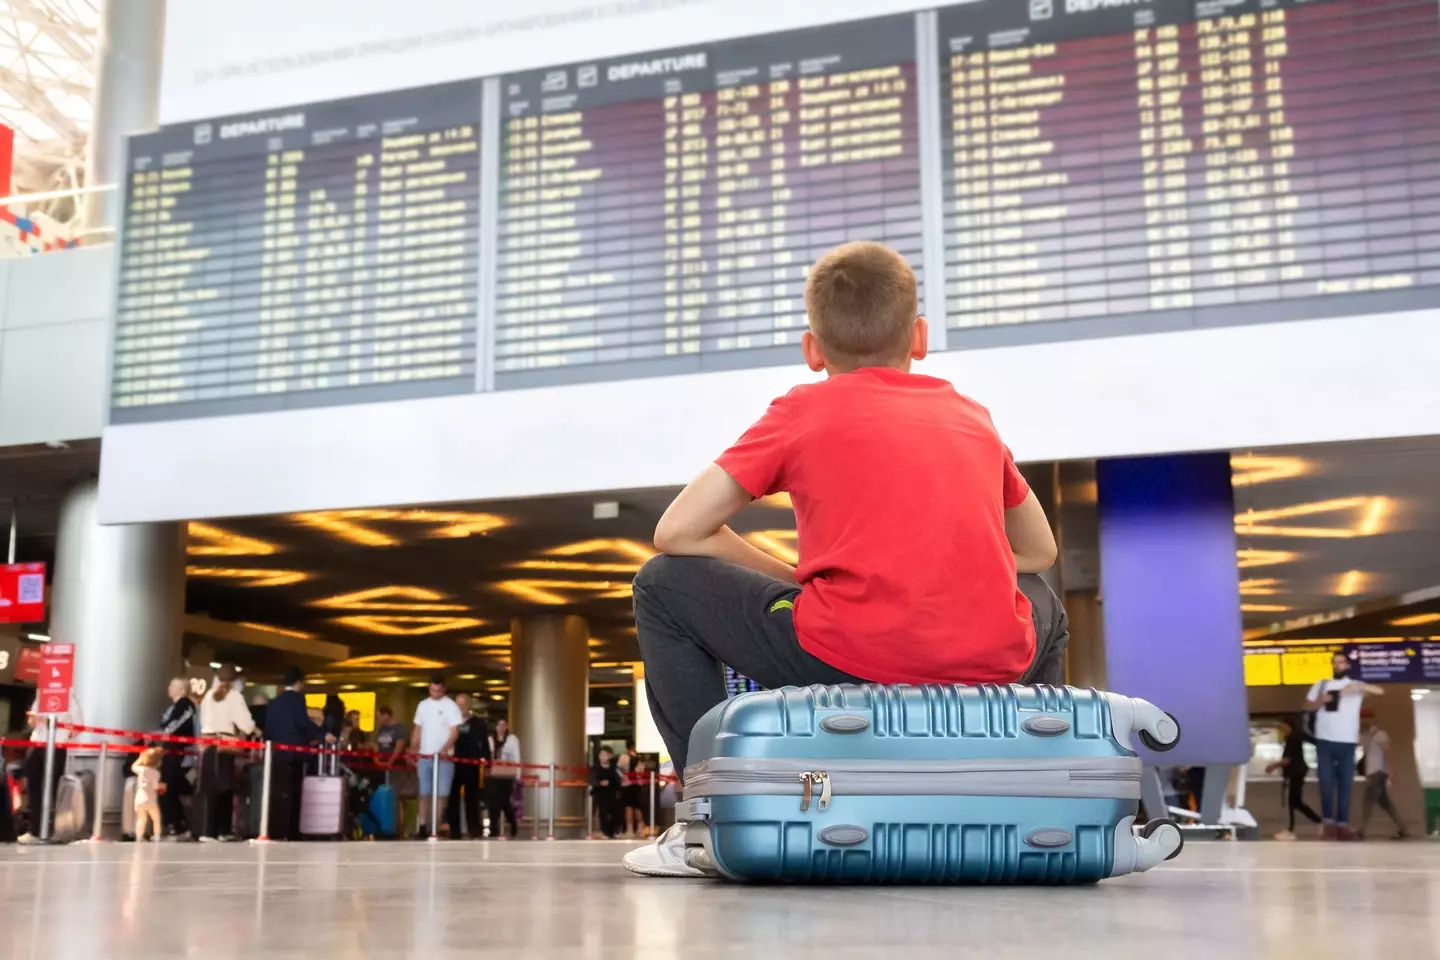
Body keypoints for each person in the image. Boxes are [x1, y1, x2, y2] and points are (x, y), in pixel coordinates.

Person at [623, 241, 1063, 876]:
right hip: (989, 666)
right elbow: (1039, 550)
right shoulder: (972, 417)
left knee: (661, 586)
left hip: (849, 654)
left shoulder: (801, 409)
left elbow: (678, 532)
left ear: (813, 350)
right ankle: (1033, 791)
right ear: (920, 337)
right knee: (1042, 598)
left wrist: (794, 579)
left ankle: (711, 817)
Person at [1304, 652, 1383, 840]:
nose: (1337, 665)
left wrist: (1357, 686)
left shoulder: (1355, 685)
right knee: (1326, 783)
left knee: (1346, 784)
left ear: (1347, 665)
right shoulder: (1322, 684)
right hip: (1324, 740)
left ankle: (1342, 825)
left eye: (1341, 662)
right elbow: (1306, 706)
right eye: (1334, 662)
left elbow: (1380, 691)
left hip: (1348, 741)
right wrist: (1319, 701)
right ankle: (1328, 823)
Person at [264, 666, 328, 840]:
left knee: (277, 793)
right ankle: (293, 832)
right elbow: (302, 722)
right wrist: (322, 733)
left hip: (276, 754)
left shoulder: (274, 702)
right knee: (295, 793)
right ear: (299, 682)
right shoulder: (298, 699)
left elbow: (268, 729)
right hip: (295, 755)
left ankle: (274, 829)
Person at [196, 664, 256, 842]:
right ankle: (223, 831)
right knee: (225, 788)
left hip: (207, 745)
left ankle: (207, 830)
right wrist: (252, 729)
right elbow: (246, 724)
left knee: (209, 788)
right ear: (235, 679)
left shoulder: (208, 695)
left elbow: (202, 720)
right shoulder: (235, 697)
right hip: (226, 745)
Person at [17, 686, 82, 844]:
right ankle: (34, 829)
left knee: (51, 788)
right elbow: (32, 722)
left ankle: (49, 829)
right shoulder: (41, 693)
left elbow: (77, 727)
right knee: (34, 787)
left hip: (57, 746)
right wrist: (34, 719)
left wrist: (58, 729)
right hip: (37, 744)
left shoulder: (69, 697)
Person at [411, 673, 462, 840]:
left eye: (438, 691)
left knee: (442, 794)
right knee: (424, 793)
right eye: (433, 690)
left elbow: (455, 732)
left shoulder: (451, 706)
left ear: (444, 690)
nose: (435, 694)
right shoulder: (422, 706)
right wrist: (413, 748)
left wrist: (444, 749)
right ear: (429, 688)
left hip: (444, 759)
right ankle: (422, 826)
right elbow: (417, 729)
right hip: (425, 756)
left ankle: (435, 826)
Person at [1265, 715, 1319, 841]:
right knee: (1295, 801)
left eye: (1282, 726)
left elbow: (1287, 760)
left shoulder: (1292, 738)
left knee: (1293, 801)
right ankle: (1314, 822)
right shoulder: (1295, 737)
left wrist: (1272, 766)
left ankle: (1292, 829)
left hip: (1295, 772)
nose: (1281, 728)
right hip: (1298, 771)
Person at [157, 678, 198, 838]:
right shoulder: (174, 707)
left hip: (179, 753)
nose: (169, 688)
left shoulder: (185, 705)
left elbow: (171, 727)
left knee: (168, 787)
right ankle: (176, 823)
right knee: (167, 789)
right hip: (171, 752)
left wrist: (162, 734)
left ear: (182, 689)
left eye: (173, 685)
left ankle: (177, 824)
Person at [446, 694, 490, 839]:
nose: (460, 707)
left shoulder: (478, 723)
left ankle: (474, 829)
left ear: (468, 705)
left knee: (472, 798)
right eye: (458, 704)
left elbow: (484, 744)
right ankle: (454, 830)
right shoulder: (451, 722)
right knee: (453, 799)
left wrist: (487, 763)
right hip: (453, 764)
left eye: (463, 704)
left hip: (472, 764)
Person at [1358, 714, 1408, 840]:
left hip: (1378, 772)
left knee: (1368, 801)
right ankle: (1401, 828)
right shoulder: (1363, 736)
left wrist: (1391, 772)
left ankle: (1361, 830)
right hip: (1372, 772)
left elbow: (1388, 753)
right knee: (1385, 802)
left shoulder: (1380, 735)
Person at [487, 718, 521, 839]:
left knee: (504, 802)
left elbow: (517, 757)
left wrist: (518, 775)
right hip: (494, 774)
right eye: (499, 725)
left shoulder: (512, 740)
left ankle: (512, 823)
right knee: (493, 802)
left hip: (507, 775)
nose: (501, 727)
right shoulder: (490, 740)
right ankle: (493, 829)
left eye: (504, 725)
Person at [131, 747, 165, 842]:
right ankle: (157, 835)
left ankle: (139, 837)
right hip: (151, 799)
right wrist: (161, 786)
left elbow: (133, 767)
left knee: (141, 819)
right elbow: (155, 786)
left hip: (139, 798)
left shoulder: (141, 770)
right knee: (156, 818)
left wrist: (140, 758)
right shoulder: (156, 773)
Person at [591, 746, 624, 838]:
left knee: (615, 812)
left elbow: (619, 779)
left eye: (605, 755)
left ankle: (614, 831)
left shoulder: (614, 767)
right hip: (601, 793)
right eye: (601, 755)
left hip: (613, 792)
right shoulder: (596, 767)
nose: (603, 757)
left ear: (610, 756)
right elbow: (593, 779)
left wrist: (612, 782)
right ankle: (605, 831)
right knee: (603, 813)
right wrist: (599, 783)